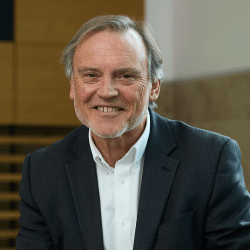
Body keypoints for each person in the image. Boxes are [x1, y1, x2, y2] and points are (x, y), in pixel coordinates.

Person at [16, 15, 250, 250]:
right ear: (72, 86)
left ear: (154, 87)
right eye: (90, 75)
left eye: (126, 75)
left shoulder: (211, 160)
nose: (107, 91)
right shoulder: (42, 172)